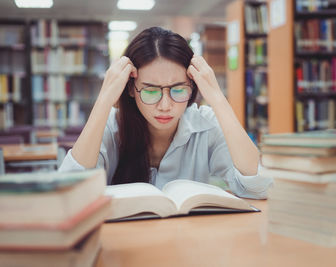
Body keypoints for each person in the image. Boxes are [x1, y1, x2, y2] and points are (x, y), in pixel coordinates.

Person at [59, 27, 272, 199]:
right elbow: (68, 193)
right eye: (151, 91)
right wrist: (104, 99)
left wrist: (217, 98)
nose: (165, 105)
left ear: (193, 85)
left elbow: (257, 187)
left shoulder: (204, 124)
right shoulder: (112, 127)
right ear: (131, 88)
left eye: (179, 89)